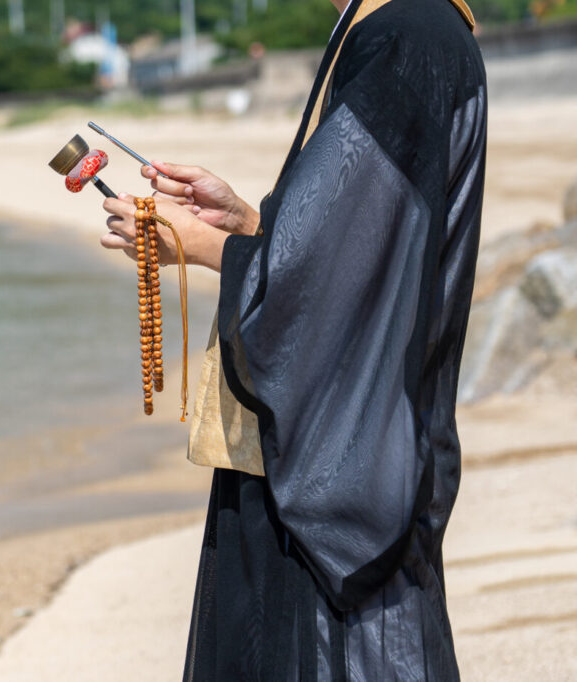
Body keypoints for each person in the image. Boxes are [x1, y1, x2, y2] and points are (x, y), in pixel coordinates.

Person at [101, 0, 486, 679]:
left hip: (341, 446)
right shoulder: (414, 29)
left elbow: (341, 265)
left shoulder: (403, 36)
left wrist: (198, 244)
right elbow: (364, 236)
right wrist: (250, 223)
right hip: (368, 420)